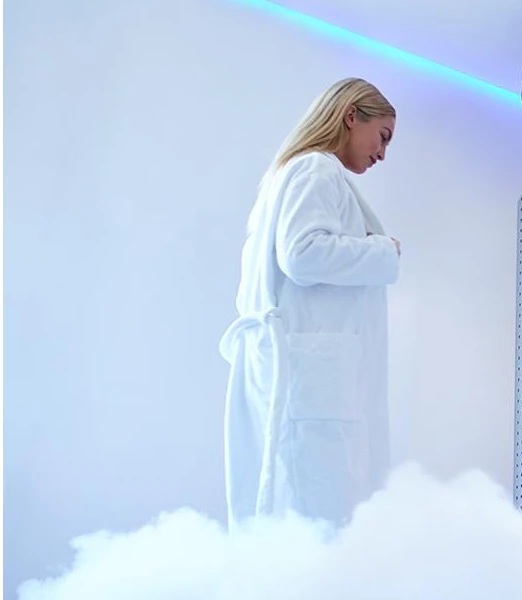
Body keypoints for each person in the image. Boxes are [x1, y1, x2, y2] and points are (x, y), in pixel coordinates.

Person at [219, 77, 402, 531]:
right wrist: (384, 250)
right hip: (314, 382)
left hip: (302, 373)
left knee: (296, 515)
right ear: (351, 115)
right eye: (382, 137)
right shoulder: (316, 169)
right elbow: (303, 253)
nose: (383, 154)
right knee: (321, 517)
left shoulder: (289, 176)